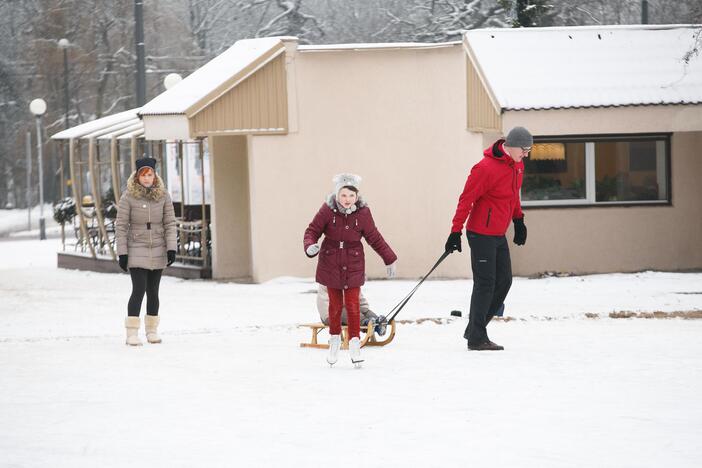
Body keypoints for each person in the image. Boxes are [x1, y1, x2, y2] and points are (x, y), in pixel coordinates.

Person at [445, 127, 531, 351]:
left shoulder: (518, 166)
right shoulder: (484, 168)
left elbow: (513, 196)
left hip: (498, 233)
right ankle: (476, 338)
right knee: (485, 284)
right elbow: (466, 200)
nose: (526, 154)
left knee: (504, 281)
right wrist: (456, 231)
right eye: (524, 149)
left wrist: (518, 221)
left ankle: (475, 327)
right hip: (480, 233)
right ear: (511, 146)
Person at [304, 173, 397, 367]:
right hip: (330, 264)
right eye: (344, 195)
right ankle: (335, 341)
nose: (347, 200)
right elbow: (312, 230)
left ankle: (355, 344)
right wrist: (310, 245)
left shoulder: (363, 213)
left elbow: (374, 237)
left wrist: (389, 258)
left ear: (357, 196)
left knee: (354, 306)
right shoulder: (327, 211)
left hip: (353, 264)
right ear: (337, 195)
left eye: (351, 196)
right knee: (335, 307)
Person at [115, 157, 177, 346]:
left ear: (154, 175)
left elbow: (170, 223)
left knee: (153, 291)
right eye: (144, 175)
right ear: (137, 177)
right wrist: (122, 253)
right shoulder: (128, 197)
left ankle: (152, 330)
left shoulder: (163, 196)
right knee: (139, 290)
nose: (147, 178)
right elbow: (121, 226)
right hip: (136, 247)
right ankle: (132, 332)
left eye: (150, 175)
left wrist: (171, 248)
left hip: (158, 247)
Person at [316, 284, 388, 336]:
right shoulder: (326, 283)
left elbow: (359, 298)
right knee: (344, 311)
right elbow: (323, 303)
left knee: (363, 310)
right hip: (331, 314)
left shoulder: (349, 281)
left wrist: (365, 310)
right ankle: (367, 323)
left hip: (347, 310)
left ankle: (378, 322)